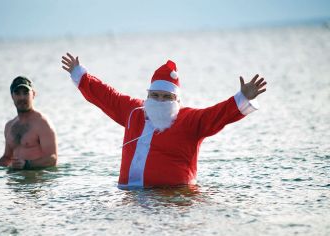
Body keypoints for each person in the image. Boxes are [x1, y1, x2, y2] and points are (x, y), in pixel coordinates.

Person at [61, 53, 266, 188]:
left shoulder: (189, 120)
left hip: (174, 198)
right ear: (148, 95)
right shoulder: (134, 111)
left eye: (166, 97)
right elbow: (105, 95)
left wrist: (242, 97)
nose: (160, 101)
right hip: (130, 196)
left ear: (177, 99)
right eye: (155, 95)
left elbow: (218, 114)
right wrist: (80, 74)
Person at [0, 76, 58, 170]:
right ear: (12, 96)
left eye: (25, 93)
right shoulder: (9, 126)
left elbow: (52, 159)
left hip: (36, 181)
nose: (22, 97)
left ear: (33, 94)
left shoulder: (42, 123)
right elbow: (7, 159)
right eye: (17, 93)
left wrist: (27, 164)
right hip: (16, 182)